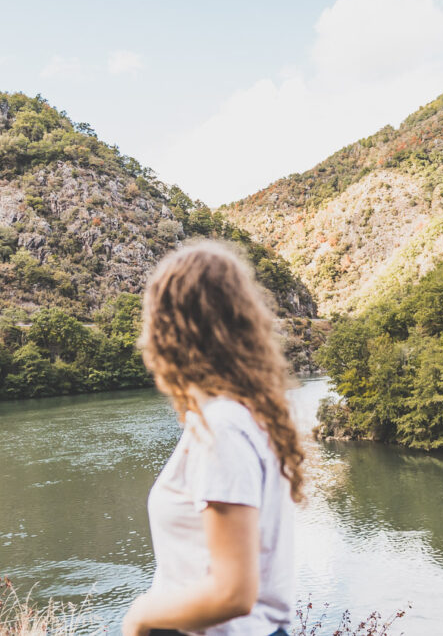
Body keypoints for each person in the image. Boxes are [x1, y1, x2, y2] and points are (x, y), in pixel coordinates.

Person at [122, 241, 305, 636]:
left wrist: (140, 614)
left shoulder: (223, 428)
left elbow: (233, 593)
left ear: (167, 332)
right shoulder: (246, 414)